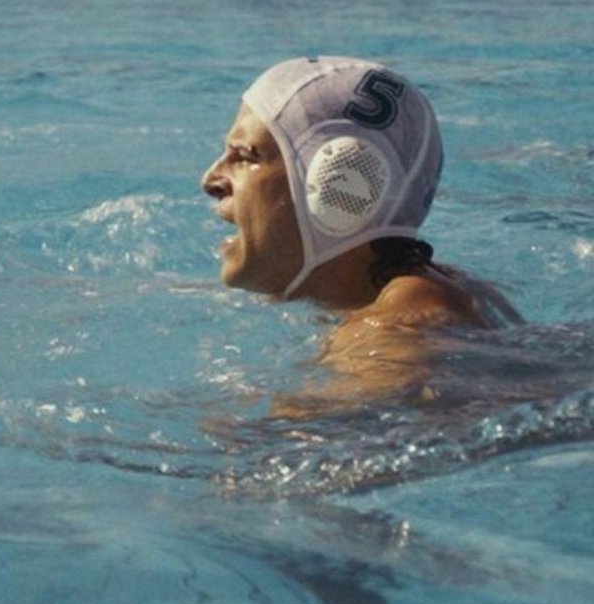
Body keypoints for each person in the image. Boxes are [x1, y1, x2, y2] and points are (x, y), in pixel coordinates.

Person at [200, 56, 521, 419]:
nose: (211, 180)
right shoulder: (430, 288)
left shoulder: (396, 331)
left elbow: (303, 445)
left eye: (245, 156)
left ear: (338, 183)